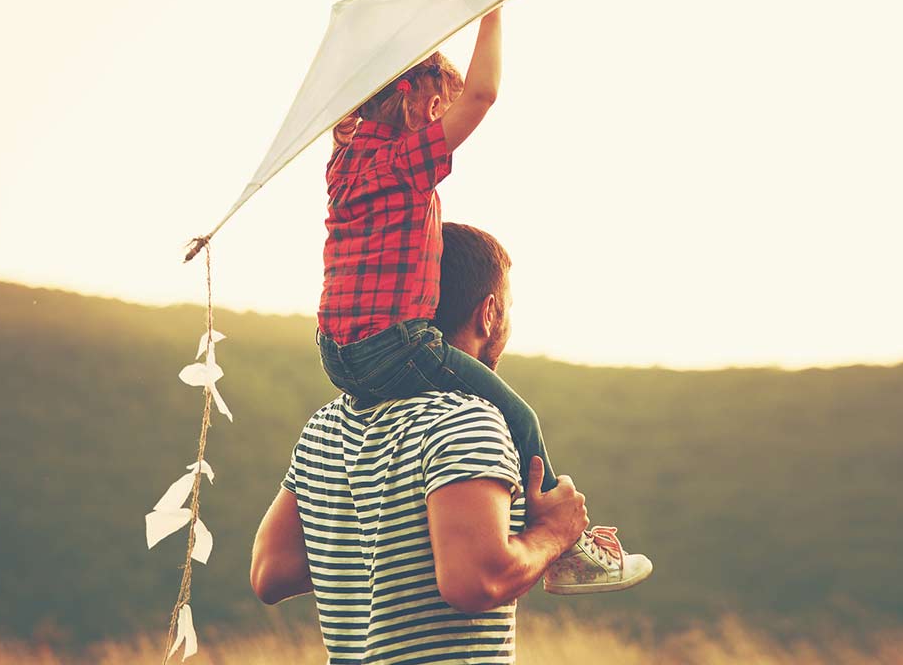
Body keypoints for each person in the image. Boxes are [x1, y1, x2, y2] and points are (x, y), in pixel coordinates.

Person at [313, 8, 647, 589]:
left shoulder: (344, 157)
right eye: (439, 106)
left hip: (335, 353)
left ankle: (466, 518)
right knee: (518, 417)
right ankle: (564, 547)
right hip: (394, 345)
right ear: (413, 97)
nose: (446, 118)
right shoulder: (402, 162)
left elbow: (437, 93)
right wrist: (491, 8)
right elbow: (484, 94)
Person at [251, 223, 653, 663]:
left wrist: (382, 545)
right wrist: (553, 535)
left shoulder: (325, 425)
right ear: (489, 312)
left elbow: (271, 573)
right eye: (510, 309)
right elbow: (474, 583)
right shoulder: (466, 417)